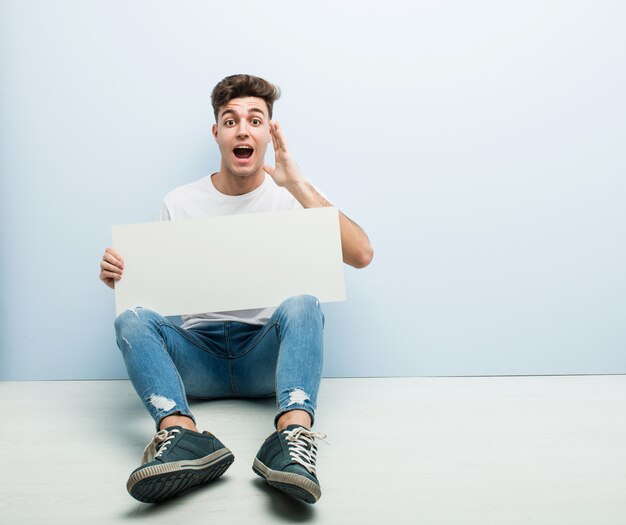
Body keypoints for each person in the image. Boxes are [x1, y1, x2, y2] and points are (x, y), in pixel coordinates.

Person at [99, 74, 373, 505]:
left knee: (303, 303)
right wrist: (121, 273)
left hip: (265, 356)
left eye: (255, 120)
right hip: (198, 360)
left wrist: (297, 185)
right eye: (231, 121)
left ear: (269, 132)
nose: (243, 129)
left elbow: (361, 255)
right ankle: (183, 436)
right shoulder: (180, 201)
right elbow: (152, 294)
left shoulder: (292, 196)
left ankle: (293, 441)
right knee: (130, 319)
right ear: (217, 133)